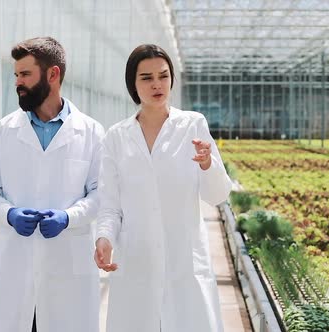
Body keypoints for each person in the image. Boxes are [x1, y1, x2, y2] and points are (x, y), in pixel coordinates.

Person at [94, 44, 231, 331]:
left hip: (184, 261)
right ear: (133, 83)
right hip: (136, 259)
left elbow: (217, 195)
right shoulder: (116, 137)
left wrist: (208, 165)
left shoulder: (192, 125)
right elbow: (110, 205)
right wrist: (104, 238)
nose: (157, 84)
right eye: (146, 77)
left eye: (163, 75)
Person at [0, 37, 104, 332]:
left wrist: (68, 217)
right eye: (16, 75)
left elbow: (102, 193)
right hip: (17, 267)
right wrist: (8, 214)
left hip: (68, 269)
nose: (18, 83)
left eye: (25, 74)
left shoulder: (92, 132)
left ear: (53, 74)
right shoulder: (4, 130)